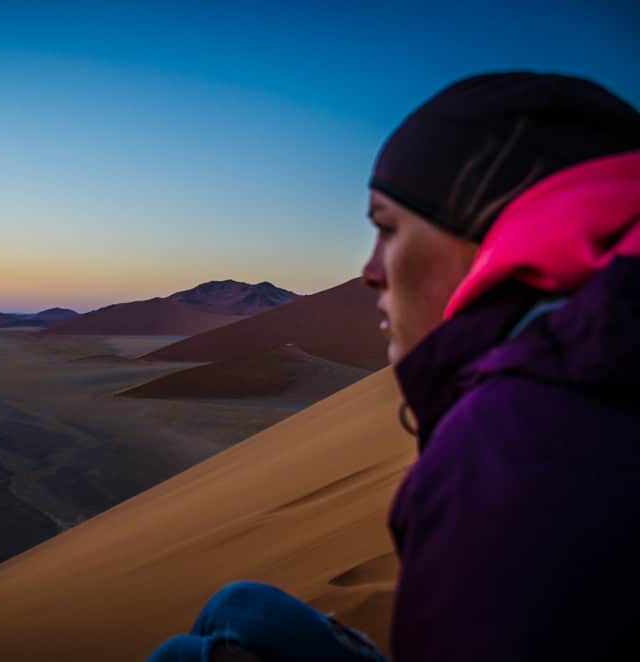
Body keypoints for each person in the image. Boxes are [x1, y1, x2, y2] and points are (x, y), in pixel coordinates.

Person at [148, 72, 640, 661]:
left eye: (387, 228)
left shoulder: (514, 436)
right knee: (242, 606)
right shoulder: (590, 365)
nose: (369, 270)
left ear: (489, 232)